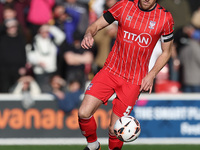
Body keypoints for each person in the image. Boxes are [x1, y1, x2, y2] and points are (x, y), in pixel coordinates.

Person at [78, 0, 174, 150]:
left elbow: (167, 52)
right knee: (84, 112)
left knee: (115, 129)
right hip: (110, 71)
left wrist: (151, 75)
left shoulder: (165, 18)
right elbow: (95, 25)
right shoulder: (124, 5)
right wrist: (88, 34)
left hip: (134, 80)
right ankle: (93, 146)